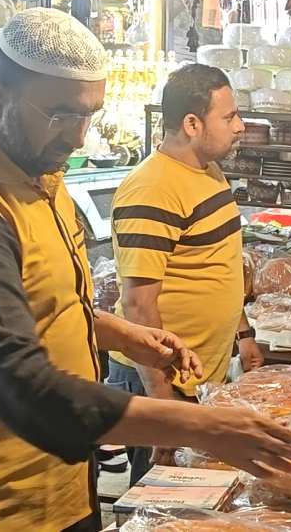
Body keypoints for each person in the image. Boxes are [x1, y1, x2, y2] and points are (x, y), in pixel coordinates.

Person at [0, 9, 291, 532]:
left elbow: (44, 301)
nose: (79, 138)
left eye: (89, 115)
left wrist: (120, 333)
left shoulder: (33, 169)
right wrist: (200, 426)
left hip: (57, 487)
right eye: (61, 115)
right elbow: (23, 388)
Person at [108, 63, 263, 485]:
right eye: (229, 117)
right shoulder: (153, 189)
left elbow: (219, 261)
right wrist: (166, 411)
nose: (240, 126)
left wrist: (243, 334)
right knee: (161, 499)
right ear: (192, 124)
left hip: (199, 377)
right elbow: (139, 307)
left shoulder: (207, 170)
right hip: (158, 382)